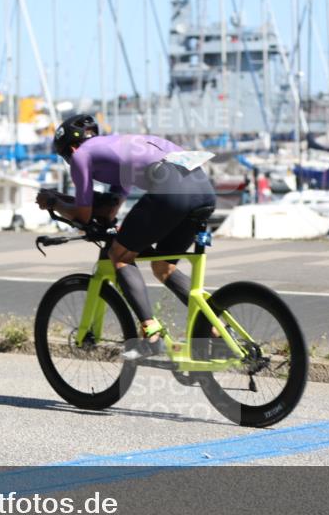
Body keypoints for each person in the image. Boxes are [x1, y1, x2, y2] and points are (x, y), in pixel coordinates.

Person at [37, 114, 217, 359]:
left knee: (120, 255)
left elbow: (83, 214)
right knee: (163, 267)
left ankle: (151, 334)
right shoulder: (120, 146)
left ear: (70, 148)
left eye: (65, 157)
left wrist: (54, 202)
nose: (69, 161)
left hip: (172, 190)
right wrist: (99, 217)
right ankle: (215, 329)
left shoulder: (81, 155)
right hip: (203, 188)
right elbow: (110, 209)